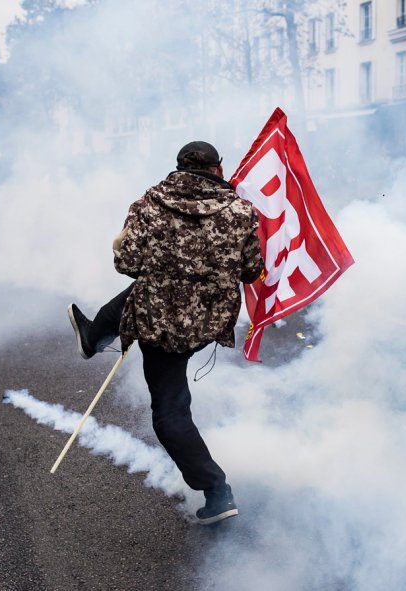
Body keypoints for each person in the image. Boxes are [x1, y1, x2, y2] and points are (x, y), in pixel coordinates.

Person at [68, 141, 264, 525]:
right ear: (218, 170)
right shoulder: (242, 212)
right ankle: (95, 336)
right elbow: (250, 270)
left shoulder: (149, 202)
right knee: (150, 286)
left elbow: (126, 263)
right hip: (210, 319)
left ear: (178, 168)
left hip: (162, 323)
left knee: (169, 414)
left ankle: (217, 490)